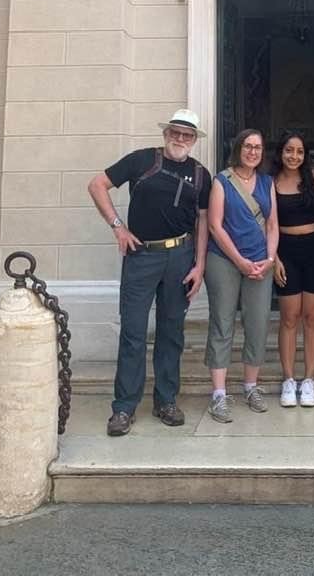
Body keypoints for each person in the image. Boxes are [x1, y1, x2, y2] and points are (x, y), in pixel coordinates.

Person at [87, 108, 211, 437]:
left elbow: (203, 222)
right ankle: (124, 407)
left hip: (181, 257)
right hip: (141, 255)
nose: (180, 139)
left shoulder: (201, 175)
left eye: (187, 135)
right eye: (176, 132)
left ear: (195, 140)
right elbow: (97, 185)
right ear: (166, 133)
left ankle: (166, 400)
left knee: (172, 333)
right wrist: (118, 228)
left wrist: (200, 265)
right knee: (133, 332)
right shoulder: (141, 160)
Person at [205, 128, 278, 423]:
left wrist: (270, 259)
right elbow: (215, 225)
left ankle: (251, 386)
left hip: (260, 263)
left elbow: (273, 224)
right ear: (238, 149)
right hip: (224, 260)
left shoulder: (267, 182)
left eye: (258, 147)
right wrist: (240, 261)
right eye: (247, 146)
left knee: (257, 323)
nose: (252, 152)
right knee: (222, 323)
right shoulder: (222, 181)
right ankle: (219, 395)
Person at [271, 130, 314, 408]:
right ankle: (289, 379)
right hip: (286, 253)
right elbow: (266, 224)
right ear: (281, 152)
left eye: (299, 151)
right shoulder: (270, 182)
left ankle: (309, 380)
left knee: (313, 317)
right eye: (289, 150)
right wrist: (274, 259)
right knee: (289, 318)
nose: (294, 156)